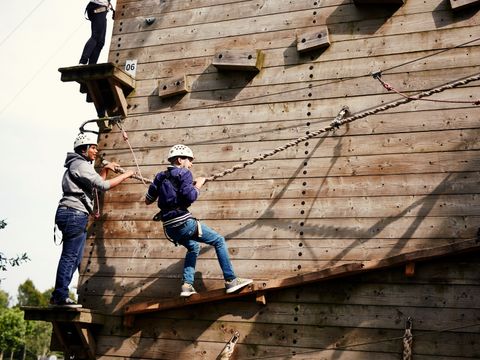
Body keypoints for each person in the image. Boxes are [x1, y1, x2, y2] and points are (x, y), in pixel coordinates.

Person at [145, 144, 253, 297]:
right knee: (219, 240)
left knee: (193, 247)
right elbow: (190, 197)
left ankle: (187, 286)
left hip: (169, 229)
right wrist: (198, 186)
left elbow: (148, 200)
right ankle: (231, 280)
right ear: (180, 159)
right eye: (189, 160)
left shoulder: (160, 177)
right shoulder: (185, 173)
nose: (191, 164)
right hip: (183, 223)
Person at [50, 132, 134, 307]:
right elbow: (103, 186)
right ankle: (59, 296)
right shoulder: (80, 164)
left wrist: (104, 170)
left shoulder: (77, 165)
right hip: (74, 214)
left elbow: (95, 186)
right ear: (84, 149)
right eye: (93, 147)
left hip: (71, 213)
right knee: (70, 256)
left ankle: (59, 294)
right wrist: (126, 175)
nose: (96, 151)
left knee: (76, 257)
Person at [79, 0, 113, 65]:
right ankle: (83, 61)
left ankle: (91, 65)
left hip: (100, 9)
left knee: (100, 42)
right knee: (96, 36)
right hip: (98, 8)